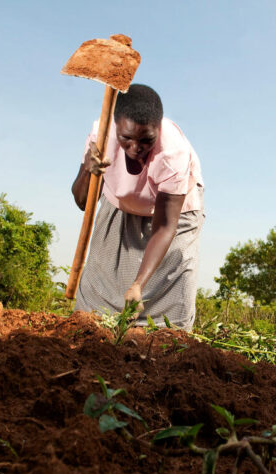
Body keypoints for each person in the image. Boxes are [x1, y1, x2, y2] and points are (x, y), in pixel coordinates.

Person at [71, 84, 204, 329]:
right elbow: (82, 201)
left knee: (170, 284)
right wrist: (89, 172)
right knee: (100, 289)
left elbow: (164, 228)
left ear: (158, 128)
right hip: (120, 202)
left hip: (172, 211)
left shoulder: (173, 153)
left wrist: (138, 285)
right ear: (116, 127)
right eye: (126, 138)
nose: (135, 148)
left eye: (146, 140)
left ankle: (162, 341)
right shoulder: (100, 137)